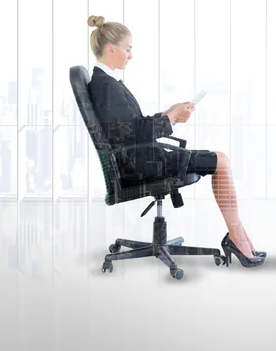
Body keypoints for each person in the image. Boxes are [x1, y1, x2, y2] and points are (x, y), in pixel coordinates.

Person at [86, 15, 265, 268]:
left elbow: (130, 126)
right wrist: (170, 118)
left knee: (220, 158)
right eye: (128, 49)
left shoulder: (107, 82)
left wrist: (169, 113)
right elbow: (128, 133)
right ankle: (237, 238)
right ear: (111, 48)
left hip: (140, 157)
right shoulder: (106, 86)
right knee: (221, 161)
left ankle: (240, 237)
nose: (131, 55)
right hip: (141, 164)